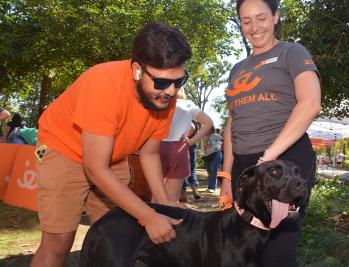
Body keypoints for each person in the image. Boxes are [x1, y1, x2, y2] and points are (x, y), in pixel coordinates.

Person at [30, 22, 192, 267]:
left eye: (178, 81)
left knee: (116, 237)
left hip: (113, 158)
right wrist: (149, 217)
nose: (170, 91)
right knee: (59, 242)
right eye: (161, 82)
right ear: (137, 70)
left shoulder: (163, 97)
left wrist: (162, 202)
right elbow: (95, 168)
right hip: (65, 150)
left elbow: (149, 153)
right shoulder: (104, 83)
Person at [219, 0, 321, 266]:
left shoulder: (292, 52)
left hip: (283, 161)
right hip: (247, 164)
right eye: (246, 21)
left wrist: (268, 159)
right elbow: (232, 123)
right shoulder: (237, 68)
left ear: (276, 16)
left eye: (261, 17)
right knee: (240, 250)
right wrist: (227, 177)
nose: (254, 27)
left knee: (276, 251)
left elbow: (310, 104)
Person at [160, 88, 213, 203]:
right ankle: (171, 219)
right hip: (179, 150)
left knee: (157, 195)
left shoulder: (159, 101)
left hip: (157, 148)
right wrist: (191, 141)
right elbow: (208, 123)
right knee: (173, 197)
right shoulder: (188, 105)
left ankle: (154, 219)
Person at [181, 121, 203, 201]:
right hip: (192, 146)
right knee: (191, 169)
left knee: (182, 169)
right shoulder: (196, 122)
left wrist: (183, 137)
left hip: (183, 145)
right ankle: (195, 192)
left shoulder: (186, 119)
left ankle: (183, 194)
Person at [203, 127, 223, 193]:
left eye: (207, 128)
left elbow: (224, 139)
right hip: (207, 156)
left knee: (213, 171)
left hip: (216, 154)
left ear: (211, 130)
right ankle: (212, 186)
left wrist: (221, 148)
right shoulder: (203, 136)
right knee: (210, 171)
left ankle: (212, 188)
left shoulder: (214, 135)